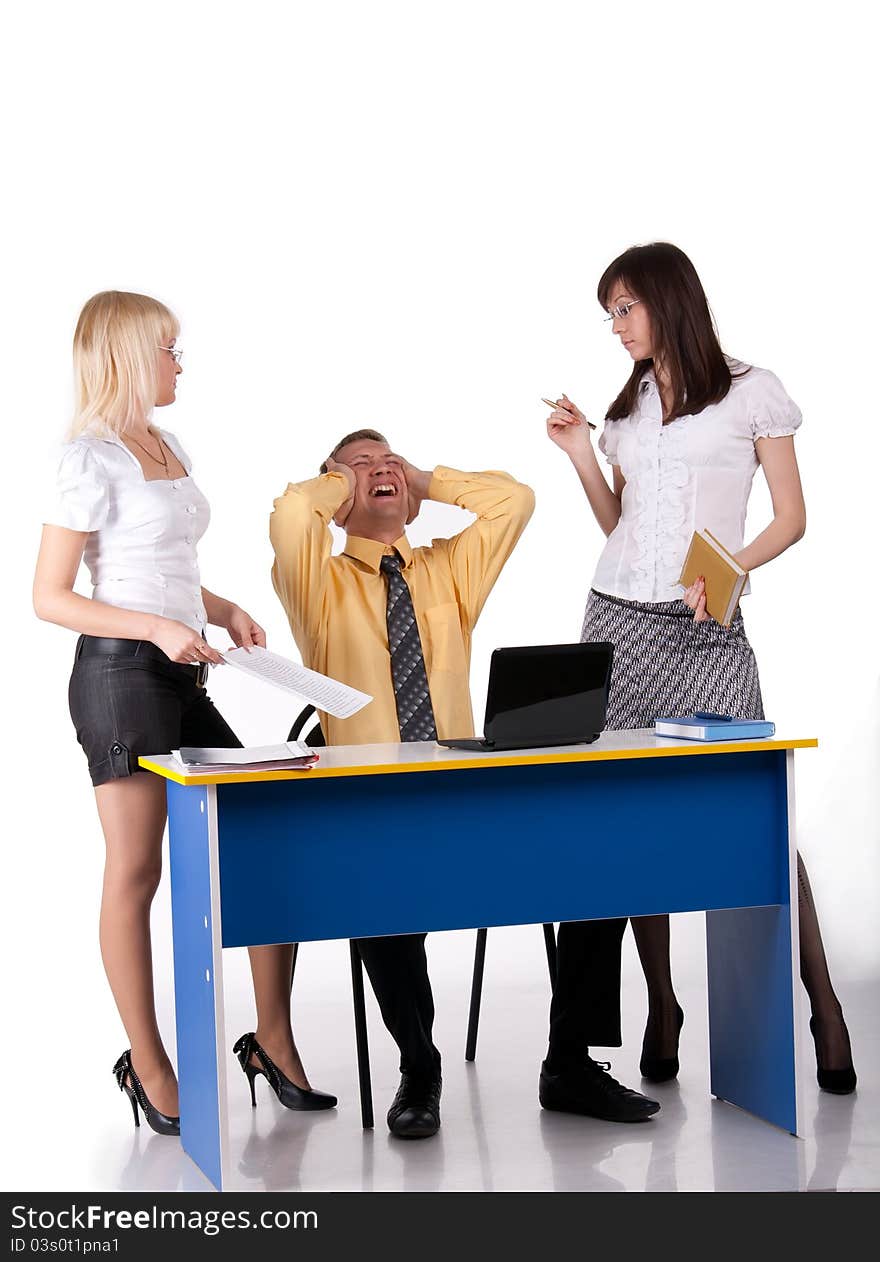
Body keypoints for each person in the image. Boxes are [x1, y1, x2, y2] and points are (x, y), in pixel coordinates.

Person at [544, 241, 856, 1096]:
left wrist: (728, 574)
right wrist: (580, 453)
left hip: (707, 626)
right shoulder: (630, 403)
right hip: (616, 622)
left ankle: (823, 1006)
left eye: (625, 308)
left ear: (667, 299)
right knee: (633, 809)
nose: (616, 327)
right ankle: (661, 1004)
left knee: (753, 809)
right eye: (608, 313)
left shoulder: (753, 391)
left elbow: (791, 518)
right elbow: (619, 519)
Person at [34, 290, 336, 1137]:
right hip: (120, 676)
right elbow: (50, 597)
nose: (178, 364)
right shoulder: (87, 458)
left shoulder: (166, 445)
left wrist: (222, 606)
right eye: (169, 350)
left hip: (178, 665)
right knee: (137, 871)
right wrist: (161, 629)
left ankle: (270, 1039)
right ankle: (151, 1061)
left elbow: (157, 560)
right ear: (130, 356)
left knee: (264, 835)